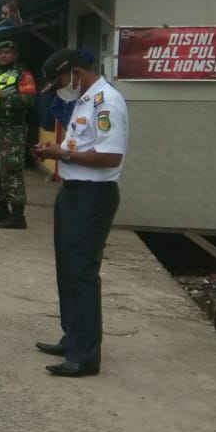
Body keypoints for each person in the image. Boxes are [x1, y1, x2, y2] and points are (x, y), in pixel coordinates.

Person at [32, 48, 129, 378]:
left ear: (75, 72)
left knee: (83, 273)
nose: (60, 88)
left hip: (93, 196)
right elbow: (79, 147)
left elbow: (110, 156)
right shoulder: (85, 101)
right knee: (67, 269)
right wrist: (57, 150)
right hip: (72, 192)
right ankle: (71, 337)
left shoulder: (107, 102)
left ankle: (85, 355)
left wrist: (61, 155)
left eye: (60, 81)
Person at [0, 40, 38, 229]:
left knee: (11, 173)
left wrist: (4, 96)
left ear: (15, 55)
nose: (3, 56)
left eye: (7, 52)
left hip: (10, 132)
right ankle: (1, 209)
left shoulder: (22, 75)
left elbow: (29, 99)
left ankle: (18, 216)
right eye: (0, 53)